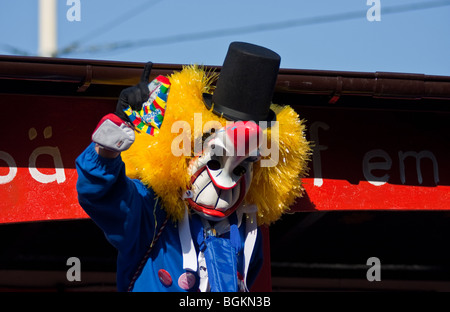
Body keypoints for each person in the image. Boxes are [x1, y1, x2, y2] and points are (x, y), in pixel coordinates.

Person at [76, 42, 311, 292]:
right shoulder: (151, 211)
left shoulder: (246, 230)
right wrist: (112, 140)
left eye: (243, 167)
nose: (226, 181)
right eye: (215, 159)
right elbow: (102, 195)